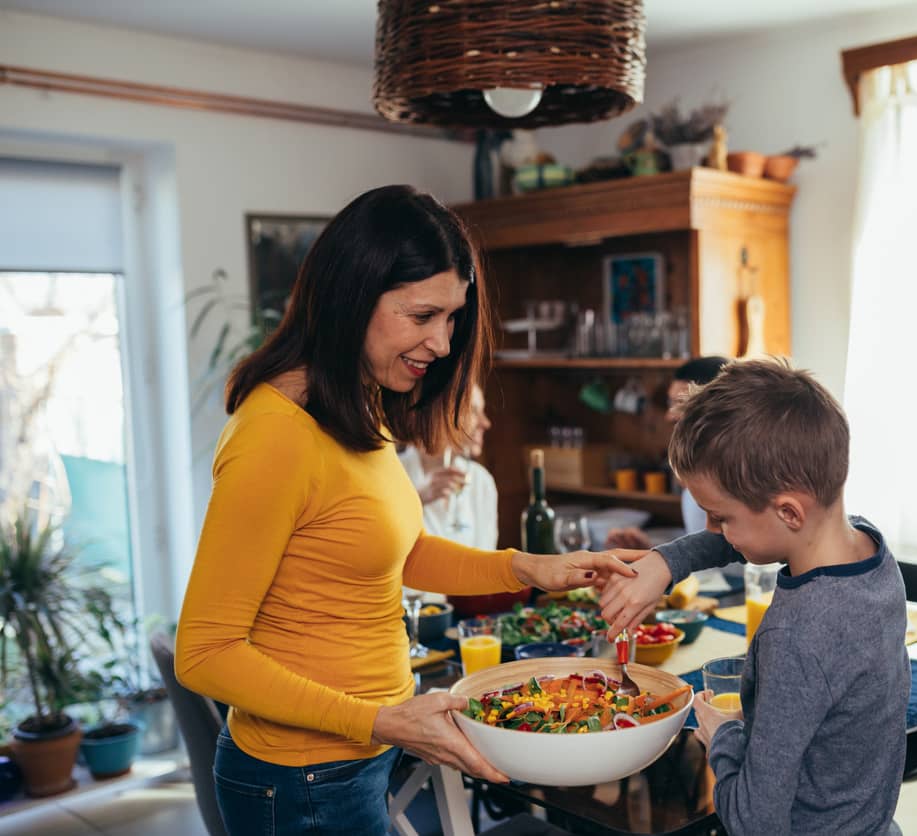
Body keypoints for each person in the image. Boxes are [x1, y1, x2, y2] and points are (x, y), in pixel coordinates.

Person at [175, 185, 634, 836]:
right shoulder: (275, 436)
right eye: (422, 316)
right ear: (353, 298)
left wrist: (532, 567)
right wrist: (382, 719)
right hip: (302, 780)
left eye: (452, 318)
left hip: (350, 760)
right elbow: (205, 651)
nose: (443, 343)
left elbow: (402, 548)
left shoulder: (353, 404)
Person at [598, 359, 909, 836]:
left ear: (787, 511)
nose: (712, 530)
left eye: (720, 516)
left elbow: (754, 822)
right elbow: (753, 535)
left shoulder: (798, 634)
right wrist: (667, 563)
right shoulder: (870, 551)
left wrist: (721, 734)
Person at [604, 355, 729, 549]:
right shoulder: (693, 467)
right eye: (671, 403)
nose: (669, 416)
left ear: (718, 408)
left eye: (682, 403)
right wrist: (653, 551)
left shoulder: (742, 475)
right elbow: (706, 546)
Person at [397, 382, 496, 549]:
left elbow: (487, 560)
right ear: (438, 414)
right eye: (473, 411)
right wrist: (417, 499)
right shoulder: (394, 473)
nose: (485, 423)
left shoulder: (481, 481)